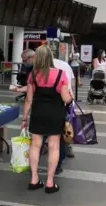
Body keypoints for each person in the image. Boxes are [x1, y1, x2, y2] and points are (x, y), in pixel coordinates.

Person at [21, 46, 73, 194]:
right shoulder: (60, 74)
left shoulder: (33, 74)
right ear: (50, 57)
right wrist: (71, 96)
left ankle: (34, 179)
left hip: (38, 114)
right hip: (55, 114)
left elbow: (28, 100)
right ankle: (50, 182)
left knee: (35, 146)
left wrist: (24, 118)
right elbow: (66, 99)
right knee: (54, 147)